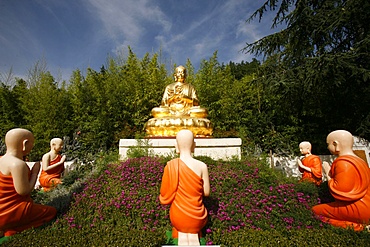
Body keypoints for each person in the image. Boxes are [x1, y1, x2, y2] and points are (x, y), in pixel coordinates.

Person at [0, 128, 57, 237]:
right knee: (50, 212)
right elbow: (24, 191)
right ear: (25, 144)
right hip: (11, 211)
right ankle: (11, 229)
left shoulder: (1, 159)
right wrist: (35, 173)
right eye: (32, 143)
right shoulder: (17, 165)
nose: (32, 146)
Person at [159, 129, 210, 246]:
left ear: (176, 146)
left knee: (181, 230)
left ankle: (180, 233)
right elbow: (206, 192)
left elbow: (164, 193)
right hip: (199, 217)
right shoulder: (202, 166)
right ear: (194, 146)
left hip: (177, 218)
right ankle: (194, 235)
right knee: (194, 234)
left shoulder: (170, 166)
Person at [312, 130, 370, 231]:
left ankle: (357, 227)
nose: (327, 147)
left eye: (328, 144)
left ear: (335, 144)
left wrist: (328, 173)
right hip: (366, 204)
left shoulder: (344, 163)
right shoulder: (360, 160)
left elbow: (341, 191)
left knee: (315, 211)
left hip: (359, 208)